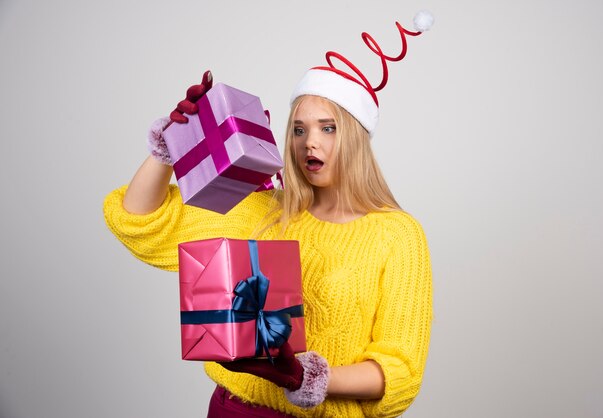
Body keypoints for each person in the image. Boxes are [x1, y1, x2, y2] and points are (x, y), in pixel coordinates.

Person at [103, 12, 433, 418]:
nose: (309, 143)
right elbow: (140, 220)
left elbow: (399, 370)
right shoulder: (262, 209)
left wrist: (305, 377)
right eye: (299, 129)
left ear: (356, 137)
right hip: (233, 411)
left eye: (328, 128)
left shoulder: (397, 235)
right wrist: (167, 149)